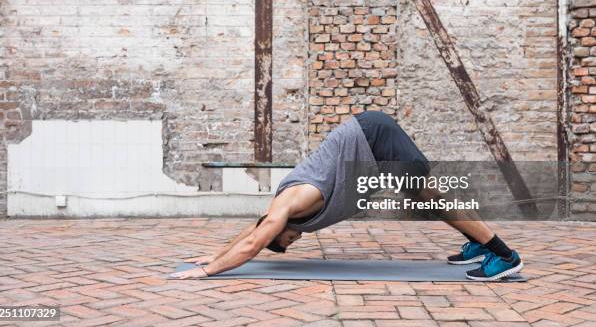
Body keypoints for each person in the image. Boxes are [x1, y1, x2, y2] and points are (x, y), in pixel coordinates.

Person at [170, 111, 523, 281]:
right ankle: (477, 243)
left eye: (286, 241)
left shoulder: (290, 205)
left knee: (432, 199)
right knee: (426, 200)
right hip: (369, 140)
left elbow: (253, 243)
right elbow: (251, 232)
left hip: (372, 139)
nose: (294, 241)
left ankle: (504, 256)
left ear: (278, 229)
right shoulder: (279, 211)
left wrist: (210, 271)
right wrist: (212, 254)